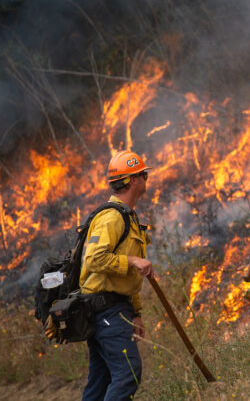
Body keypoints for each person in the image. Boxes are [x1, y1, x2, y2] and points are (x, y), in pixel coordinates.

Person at [80, 150, 154, 400]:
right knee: (127, 374)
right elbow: (93, 258)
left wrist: (136, 312)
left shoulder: (128, 216)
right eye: (143, 174)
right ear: (133, 180)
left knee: (100, 384)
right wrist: (132, 260)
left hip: (116, 308)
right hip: (106, 311)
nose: (146, 178)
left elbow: (127, 278)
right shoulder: (111, 217)